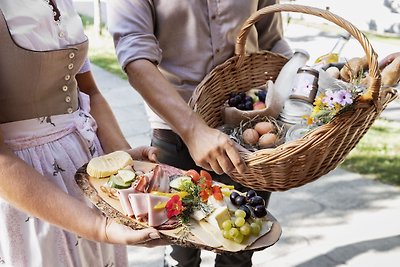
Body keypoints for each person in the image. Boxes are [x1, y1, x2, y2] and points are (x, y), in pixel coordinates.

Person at [108, 1, 293, 266]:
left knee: (240, 252)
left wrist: (314, 85)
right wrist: (194, 131)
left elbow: (272, 41)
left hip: (249, 129)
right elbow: (136, 58)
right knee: (179, 252)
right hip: (176, 133)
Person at [0, 1, 164, 266]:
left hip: (88, 171)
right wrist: (99, 227)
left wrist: (123, 163)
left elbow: (89, 92)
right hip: (31, 192)